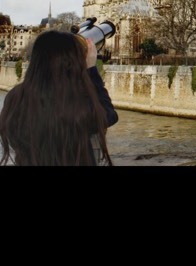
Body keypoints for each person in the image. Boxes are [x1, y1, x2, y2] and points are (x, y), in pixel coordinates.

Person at [0, 30, 118, 166]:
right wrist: (91, 69)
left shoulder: (15, 97)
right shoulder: (77, 101)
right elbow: (109, 115)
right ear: (72, 62)